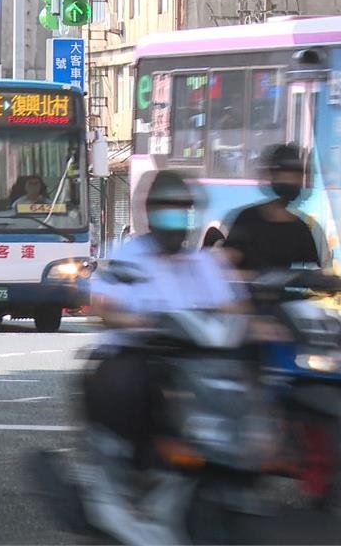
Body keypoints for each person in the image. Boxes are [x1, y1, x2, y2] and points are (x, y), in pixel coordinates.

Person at [86, 170, 251, 469]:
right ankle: (126, 463)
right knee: (125, 387)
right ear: (151, 215)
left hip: (196, 362)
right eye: (168, 215)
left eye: (182, 215)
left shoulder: (203, 262)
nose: (176, 224)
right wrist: (137, 322)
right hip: (142, 356)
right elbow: (102, 304)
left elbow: (233, 307)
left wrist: (259, 327)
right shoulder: (129, 256)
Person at [224, 143, 321, 276]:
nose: (291, 180)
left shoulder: (301, 230)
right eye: (286, 174)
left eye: (295, 175)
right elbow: (227, 267)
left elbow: (312, 274)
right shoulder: (246, 220)